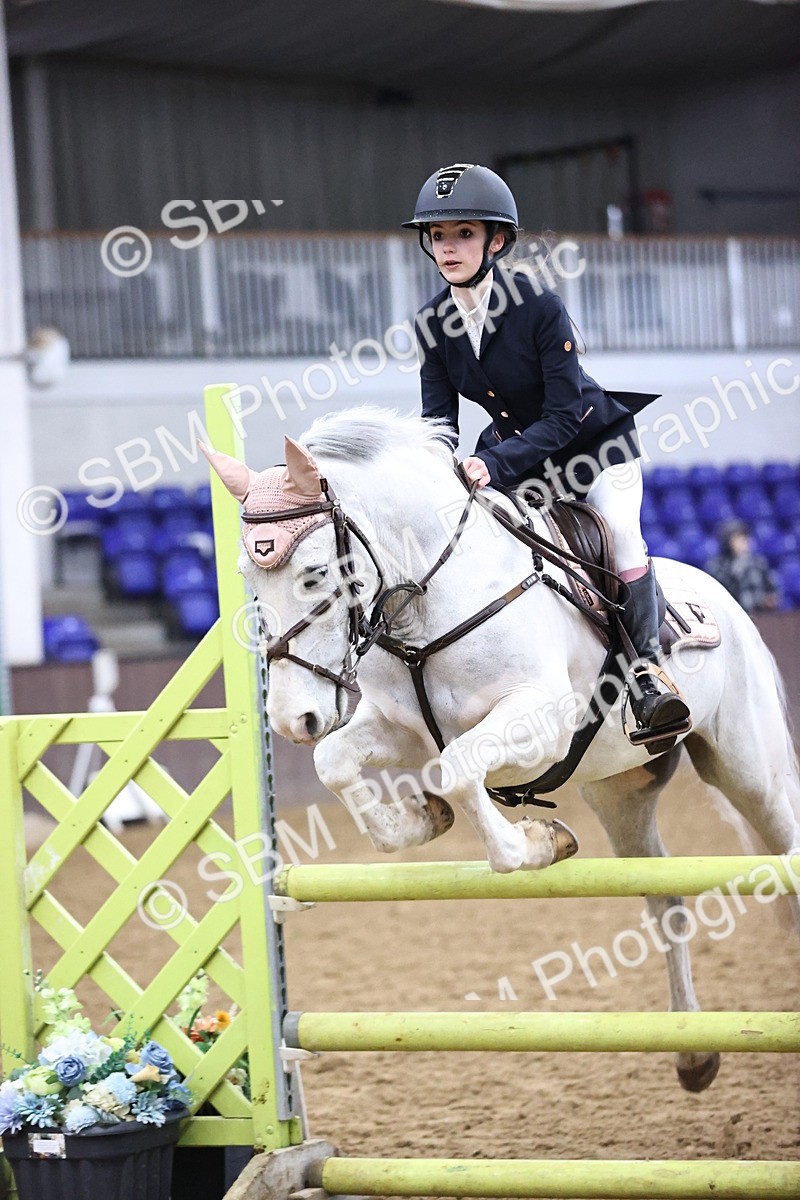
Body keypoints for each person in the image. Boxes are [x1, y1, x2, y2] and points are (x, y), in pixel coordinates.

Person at [403, 162, 690, 742]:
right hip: (518, 457)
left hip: (593, 446)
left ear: (496, 240)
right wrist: (430, 472)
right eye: (438, 235)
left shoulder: (539, 307)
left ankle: (647, 674)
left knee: (620, 534)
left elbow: (564, 416)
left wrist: (494, 464)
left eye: (463, 233)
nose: (448, 247)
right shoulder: (433, 321)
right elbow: (438, 423)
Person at [707, 519, 778, 614]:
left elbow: (772, 590)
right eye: (738, 539)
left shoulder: (758, 563)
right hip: (733, 615)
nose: (744, 542)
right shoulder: (717, 566)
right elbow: (718, 595)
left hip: (760, 616)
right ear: (727, 541)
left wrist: (768, 600)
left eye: (745, 538)